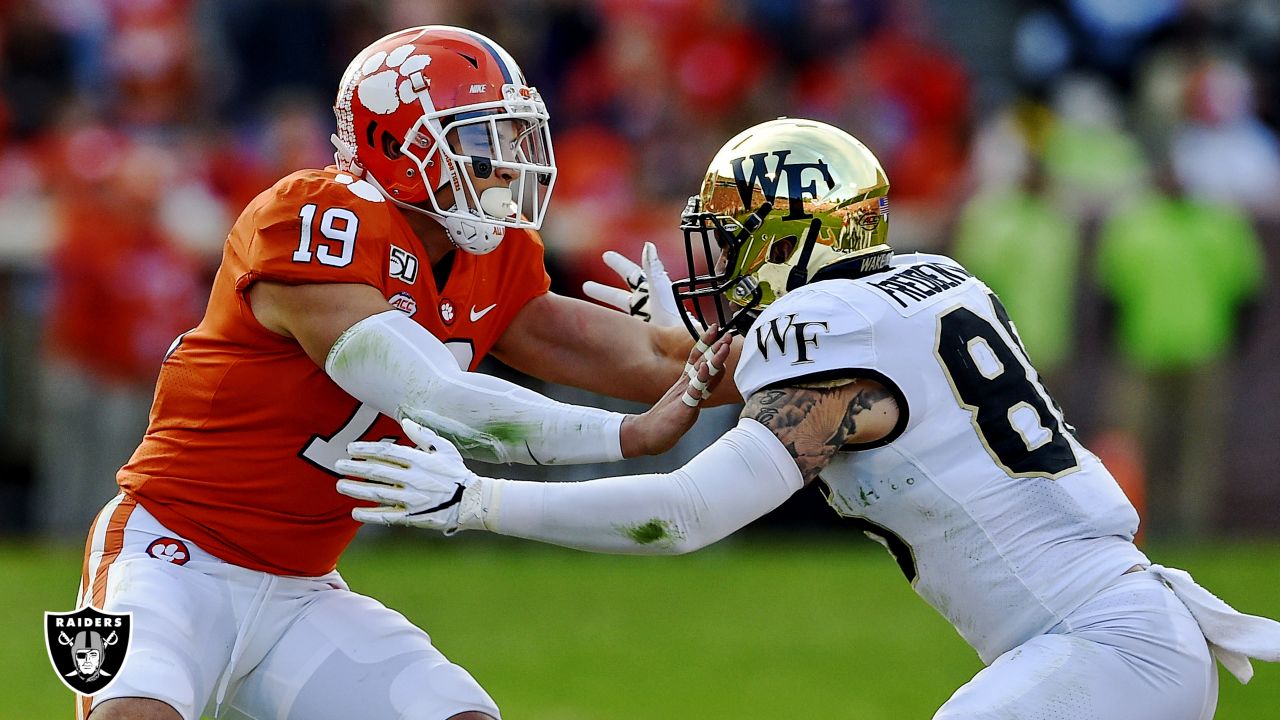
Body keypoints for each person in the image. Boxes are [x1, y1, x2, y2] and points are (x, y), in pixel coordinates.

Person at [339, 117, 1280, 720]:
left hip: (1098, 648)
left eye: (736, 234)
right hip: (1134, 632)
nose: (720, 259)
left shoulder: (820, 326)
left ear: (791, 237)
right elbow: (829, 391)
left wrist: (481, 503)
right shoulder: (933, 284)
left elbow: (684, 514)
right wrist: (682, 348)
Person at [77, 26, 733, 720]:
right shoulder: (312, 218)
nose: (507, 166)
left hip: (301, 590)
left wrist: (817, 349)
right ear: (395, 146)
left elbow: (661, 361)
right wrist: (626, 436)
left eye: (512, 139)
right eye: (482, 140)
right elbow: (436, 396)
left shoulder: (494, 254)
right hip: (172, 557)